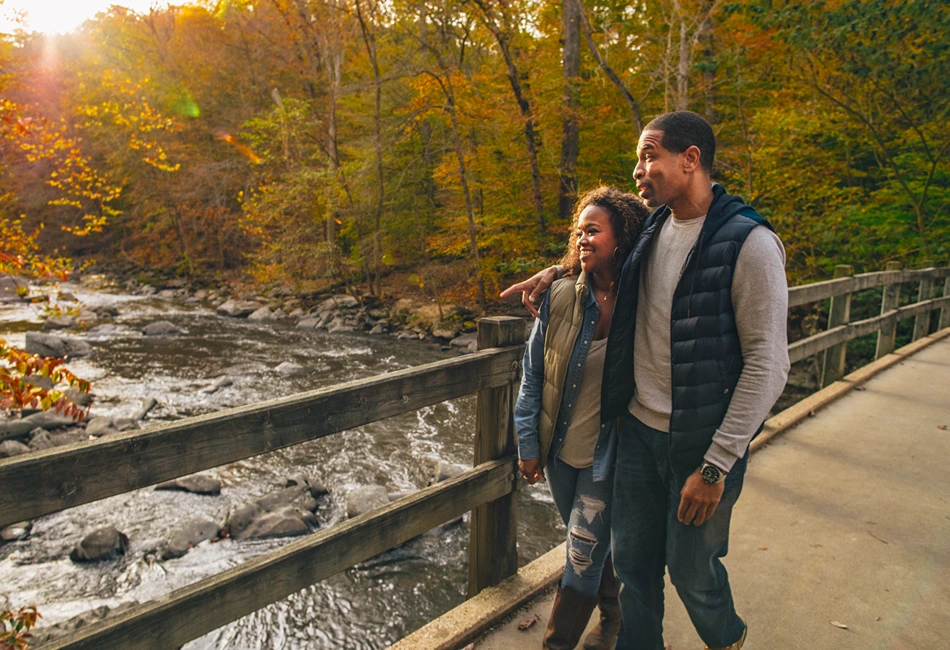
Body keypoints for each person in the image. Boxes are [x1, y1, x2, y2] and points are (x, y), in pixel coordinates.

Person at [502, 111, 790, 650]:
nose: (639, 169)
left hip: (700, 447)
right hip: (635, 433)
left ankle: (728, 638)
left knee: (690, 572)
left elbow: (769, 366)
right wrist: (558, 272)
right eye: (639, 157)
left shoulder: (749, 244)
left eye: (649, 154)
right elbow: (599, 250)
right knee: (634, 570)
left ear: (690, 159)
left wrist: (716, 464)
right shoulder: (652, 231)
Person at [514, 186, 648, 650]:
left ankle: (556, 645)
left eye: (593, 230)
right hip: (558, 453)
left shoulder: (644, 300)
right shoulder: (560, 298)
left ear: (622, 237)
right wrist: (527, 444)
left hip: (608, 457)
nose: (582, 239)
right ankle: (612, 619)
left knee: (581, 554)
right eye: (578, 231)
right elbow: (532, 376)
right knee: (587, 545)